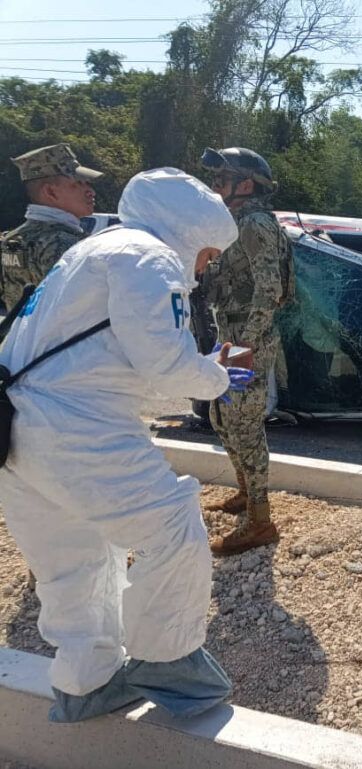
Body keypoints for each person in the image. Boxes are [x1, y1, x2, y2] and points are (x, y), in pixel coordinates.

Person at [0, 168, 249, 722]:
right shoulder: (151, 257)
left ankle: (85, 683)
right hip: (78, 429)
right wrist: (212, 378)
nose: (205, 267)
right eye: (208, 253)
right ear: (189, 232)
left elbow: (118, 363)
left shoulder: (92, 251)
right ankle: (167, 660)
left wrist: (199, 375)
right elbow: (163, 360)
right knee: (174, 526)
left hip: (17, 433)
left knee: (75, 560)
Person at [200, 146, 293, 556]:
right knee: (223, 416)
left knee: (245, 424)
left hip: (244, 341)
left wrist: (247, 344)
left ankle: (260, 519)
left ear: (246, 184)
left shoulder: (255, 223)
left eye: (222, 180)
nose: (215, 187)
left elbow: (269, 290)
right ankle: (245, 493)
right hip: (233, 338)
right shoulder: (237, 223)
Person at [1, 143, 102, 312]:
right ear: (50, 192)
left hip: (19, 338)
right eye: (79, 184)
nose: (91, 191)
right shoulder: (66, 244)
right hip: (62, 338)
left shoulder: (12, 240)